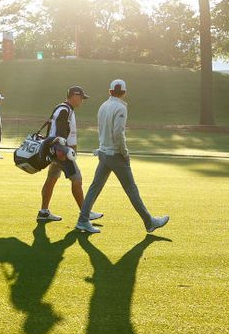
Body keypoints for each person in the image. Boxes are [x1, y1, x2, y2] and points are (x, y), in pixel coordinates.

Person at [75, 79, 169, 234]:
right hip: (115, 155)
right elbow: (118, 133)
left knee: (95, 187)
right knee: (131, 189)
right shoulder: (120, 108)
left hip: (103, 153)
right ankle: (149, 222)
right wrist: (125, 153)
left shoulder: (103, 106)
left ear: (110, 91)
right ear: (124, 92)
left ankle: (82, 220)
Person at [37, 86, 103, 223]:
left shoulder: (63, 108)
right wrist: (62, 150)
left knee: (51, 179)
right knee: (77, 179)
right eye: (81, 98)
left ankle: (43, 212)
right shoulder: (65, 110)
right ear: (74, 96)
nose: (82, 101)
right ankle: (85, 213)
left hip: (56, 151)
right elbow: (59, 132)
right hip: (62, 152)